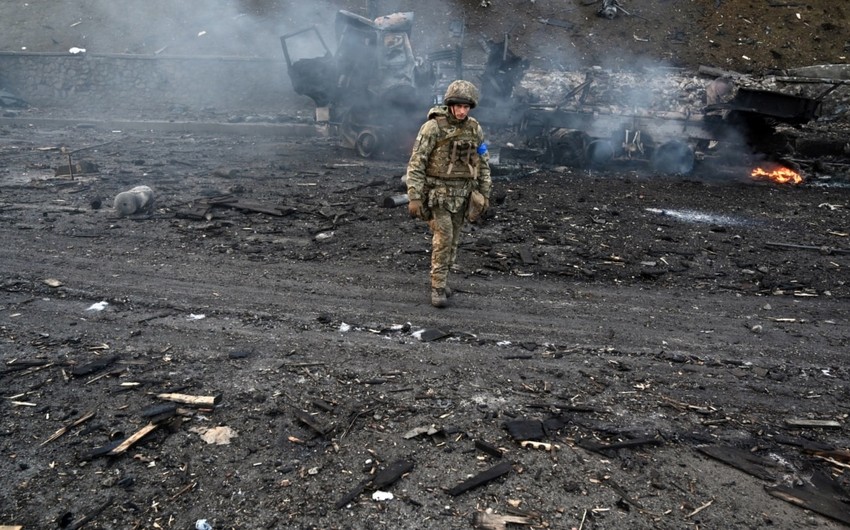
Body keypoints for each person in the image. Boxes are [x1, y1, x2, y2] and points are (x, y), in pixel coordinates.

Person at [405, 80, 492, 308]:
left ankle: (442, 281)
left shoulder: (474, 128)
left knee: (453, 242)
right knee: (443, 240)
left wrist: (485, 193)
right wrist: (414, 196)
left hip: (463, 196)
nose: (462, 111)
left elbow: (482, 162)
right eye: (458, 106)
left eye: (466, 107)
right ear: (450, 104)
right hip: (438, 195)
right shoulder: (433, 128)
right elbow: (417, 163)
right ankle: (437, 288)